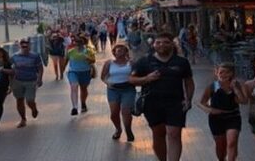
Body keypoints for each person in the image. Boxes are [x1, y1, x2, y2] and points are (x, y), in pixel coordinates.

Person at [130, 32, 195, 161]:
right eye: (158, 42)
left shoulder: (181, 62)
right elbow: (131, 79)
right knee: (158, 134)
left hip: (176, 103)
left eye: (166, 42)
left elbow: (189, 81)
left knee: (174, 134)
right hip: (152, 103)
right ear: (153, 45)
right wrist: (146, 78)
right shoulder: (145, 61)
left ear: (172, 44)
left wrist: (188, 99)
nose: (162, 45)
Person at [198, 62, 246, 161]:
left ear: (232, 74)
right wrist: (209, 109)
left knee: (232, 141)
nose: (224, 75)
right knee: (220, 146)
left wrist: (236, 89)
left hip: (233, 116)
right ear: (216, 73)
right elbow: (200, 102)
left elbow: (244, 101)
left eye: (227, 72)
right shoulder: (213, 86)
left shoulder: (236, 85)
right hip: (216, 119)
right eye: (221, 72)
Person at [101, 41, 137, 141]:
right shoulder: (109, 63)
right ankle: (118, 129)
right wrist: (108, 83)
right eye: (117, 50)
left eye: (122, 49)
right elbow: (103, 77)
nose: (119, 51)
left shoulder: (131, 63)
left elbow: (137, 74)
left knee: (126, 111)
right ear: (114, 52)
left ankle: (128, 130)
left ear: (126, 51)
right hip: (113, 90)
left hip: (128, 89)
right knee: (114, 113)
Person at [9, 38, 44, 128]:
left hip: (31, 81)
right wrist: (10, 84)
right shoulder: (14, 57)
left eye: (26, 44)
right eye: (22, 44)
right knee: (19, 100)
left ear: (30, 45)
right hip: (17, 81)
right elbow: (10, 69)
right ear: (19, 46)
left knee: (29, 100)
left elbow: (40, 68)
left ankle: (33, 108)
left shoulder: (35, 56)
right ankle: (23, 119)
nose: (24, 46)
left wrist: (39, 79)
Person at [66, 34, 96, 115]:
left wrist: (87, 58)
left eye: (80, 41)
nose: (78, 43)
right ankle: (74, 107)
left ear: (84, 42)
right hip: (73, 72)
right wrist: (62, 72)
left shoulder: (89, 51)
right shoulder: (71, 51)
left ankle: (83, 103)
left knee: (83, 89)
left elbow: (93, 61)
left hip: (85, 72)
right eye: (77, 41)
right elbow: (66, 60)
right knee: (74, 86)